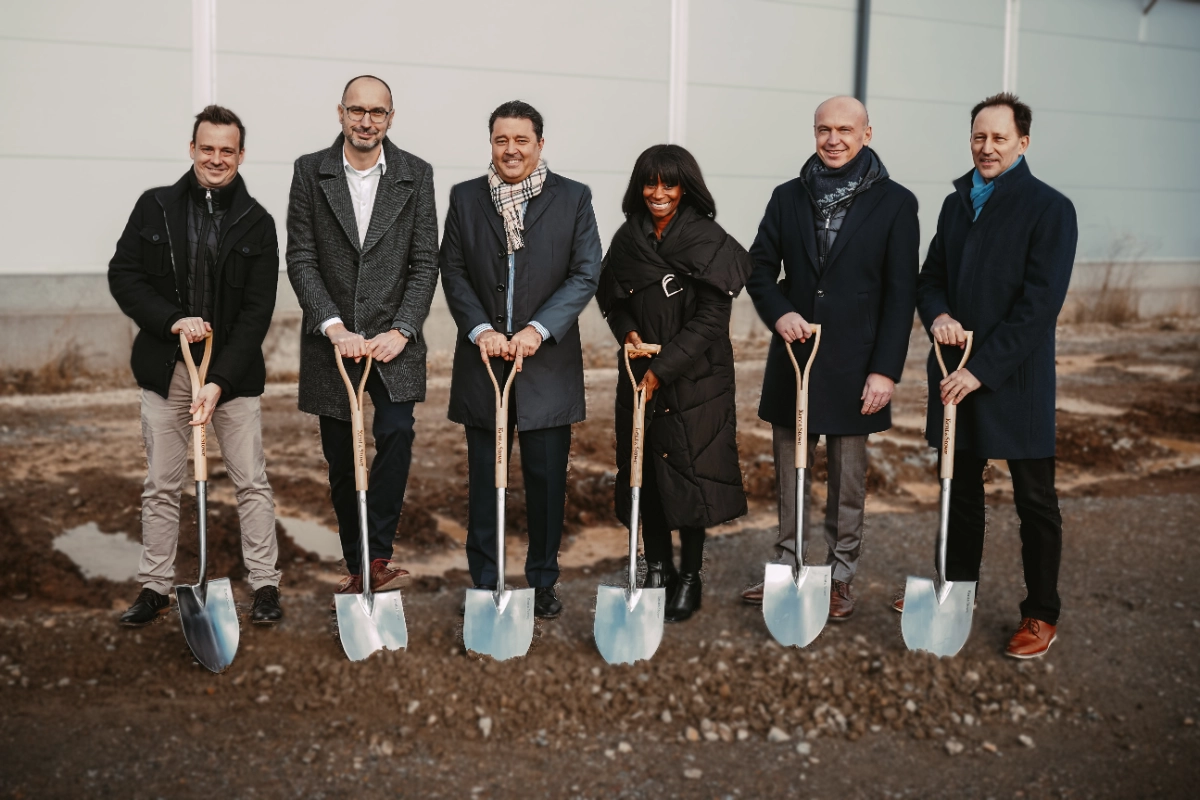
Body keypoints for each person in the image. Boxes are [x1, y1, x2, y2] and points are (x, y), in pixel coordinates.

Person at [898, 92, 1077, 659]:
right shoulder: (957, 205)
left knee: (1035, 501)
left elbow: (1039, 304)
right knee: (960, 489)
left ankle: (1041, 614)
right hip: (955, 370)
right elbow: (929, 280)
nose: (987, 147)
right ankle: (956, 588)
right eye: (979, 136)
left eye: (1000, 138)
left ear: (1023, 143)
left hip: (1013, 380)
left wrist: (982, 369)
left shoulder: (1050, 209)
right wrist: (941, 315)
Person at [742, 96, 919, 621]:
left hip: (855, 365)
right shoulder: (787, 197)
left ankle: (840, 577)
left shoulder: (895, 203)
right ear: (814, 133)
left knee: (847, 480)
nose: (834, 139)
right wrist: (780, 314)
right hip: (795, 358)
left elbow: (900, 292)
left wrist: (885, 370)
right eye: (824, 130)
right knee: (790, 470)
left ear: (868, 133)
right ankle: (788, 566)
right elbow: (758, 269)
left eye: (845, 129)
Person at [108, 105, 283, 625]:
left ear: (241, 156)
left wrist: (221, 381)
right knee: (162, 482)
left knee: (250, 479)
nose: (216, 158)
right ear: (192, 149)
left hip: (232, 375)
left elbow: (257, 313)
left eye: (227, 150)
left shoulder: (258, 223)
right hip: (168, 368)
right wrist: (172, 321)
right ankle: (156, 585)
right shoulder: (155, 208)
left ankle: (266, 585)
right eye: (207, 148)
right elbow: (125, 275)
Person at [440, 100, 602, 619]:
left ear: (539, 143)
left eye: (521, 141)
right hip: (484, 362)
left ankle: (543, 580)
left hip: (545, 362)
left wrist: (538, 329)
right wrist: (481, 329)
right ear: (491, 142)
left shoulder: (574, 198)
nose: (511, 150)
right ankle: (487, 581)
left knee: (546, 480)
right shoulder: (466, 198)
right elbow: (454, 270)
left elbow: (585, 272)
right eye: (501, 140)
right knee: (487, 480)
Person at [285, 75, 439, 603]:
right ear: (341, 113)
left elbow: (425, 262)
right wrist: (332, 326)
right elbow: (301, 257)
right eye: (357, 111)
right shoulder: (311, 171)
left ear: (390, 117)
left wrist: (403, 329)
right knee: (339, 453)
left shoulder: (416, 175)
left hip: (394, 341)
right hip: (334, 341)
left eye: (377, 112)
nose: (366, 121)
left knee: (396, 433)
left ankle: (378, 552)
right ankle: (357, 561)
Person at [596, 144, 750, 622]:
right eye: (649, 183)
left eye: (668, 183)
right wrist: (629, 333)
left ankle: (689, 576)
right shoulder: (628, 239)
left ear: (686, 187)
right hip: (638, 372)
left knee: (690, 476)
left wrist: (663, 371)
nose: (658, 193)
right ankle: (657, 567)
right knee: (646, 475)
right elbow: (612, 299)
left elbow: (710, 320)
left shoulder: (708, 239)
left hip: (695, 380)